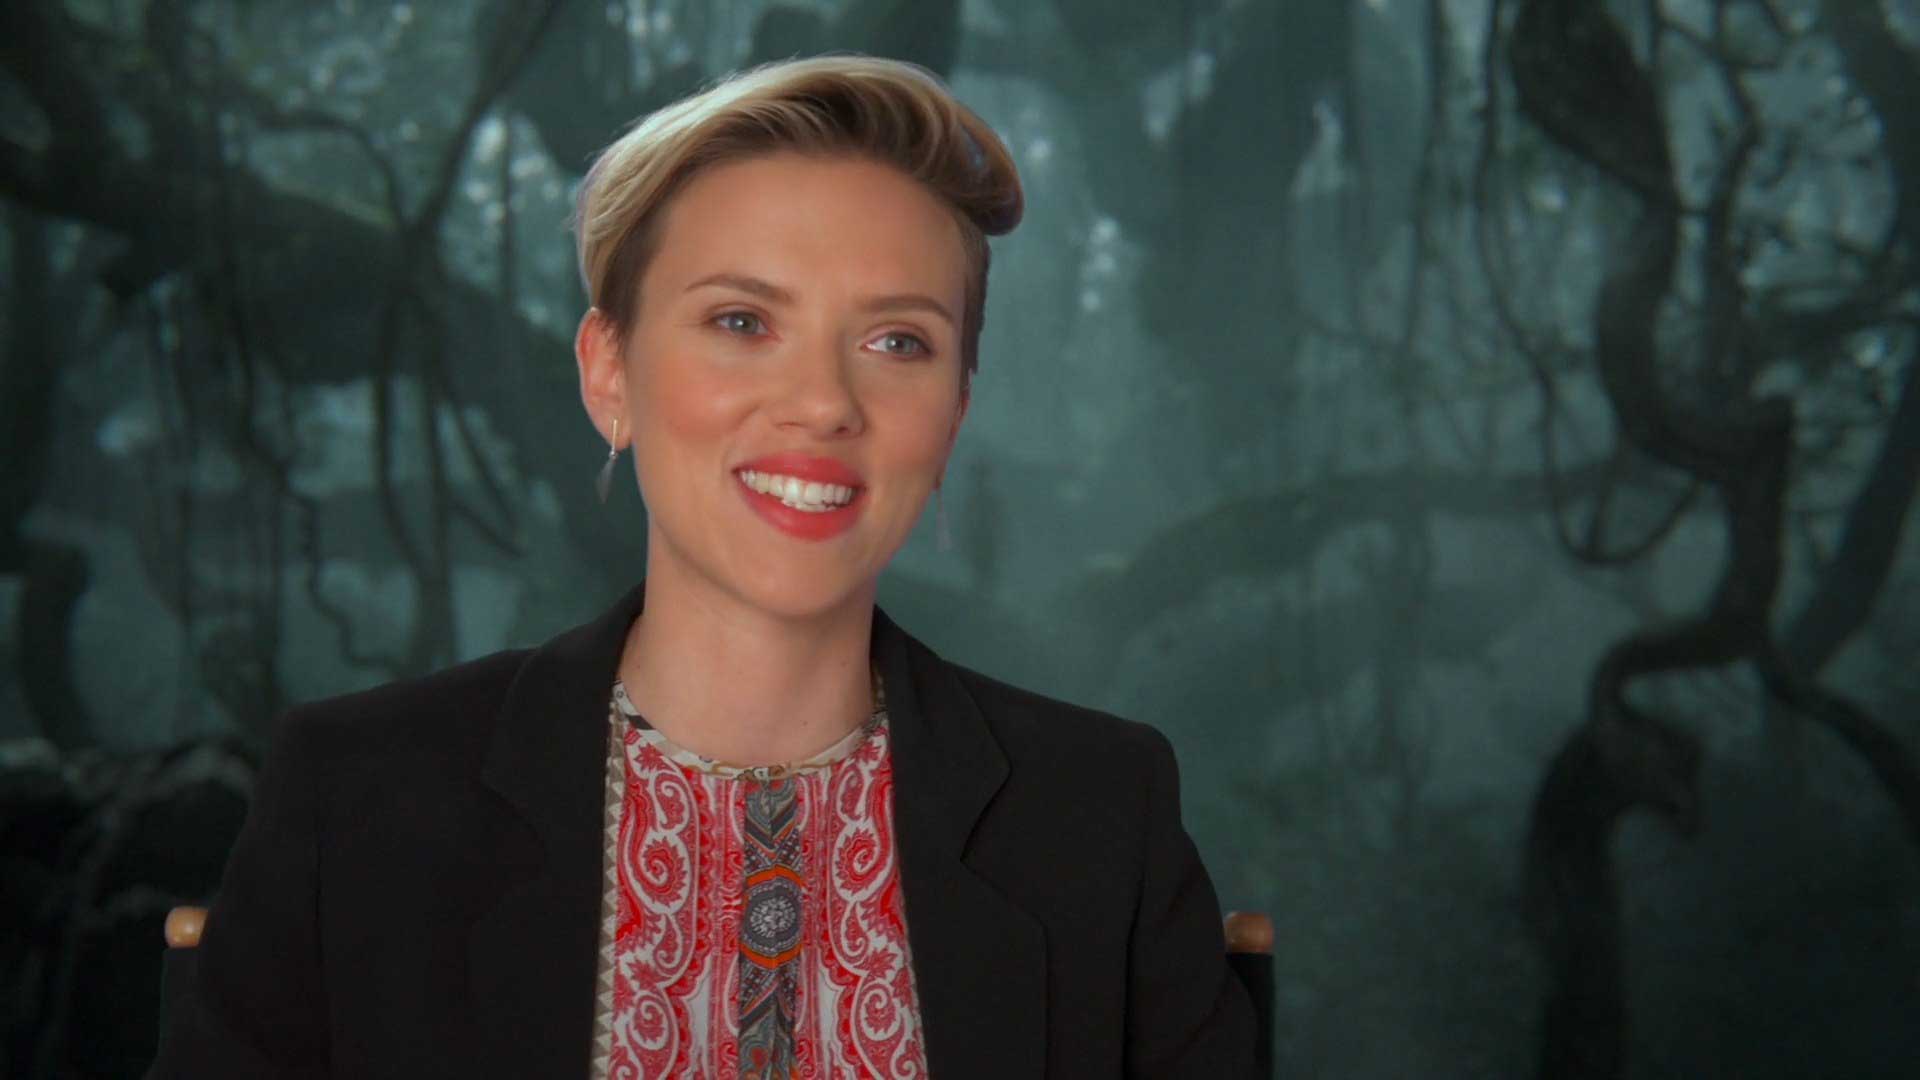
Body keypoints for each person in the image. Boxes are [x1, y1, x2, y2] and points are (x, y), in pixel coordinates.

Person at [151, 55, 1256, 1078]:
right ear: (608, 373)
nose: (823, 402)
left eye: (898, 342)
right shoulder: (360, 801)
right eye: (741, 320)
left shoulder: (1100, 815)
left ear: (955, 412)